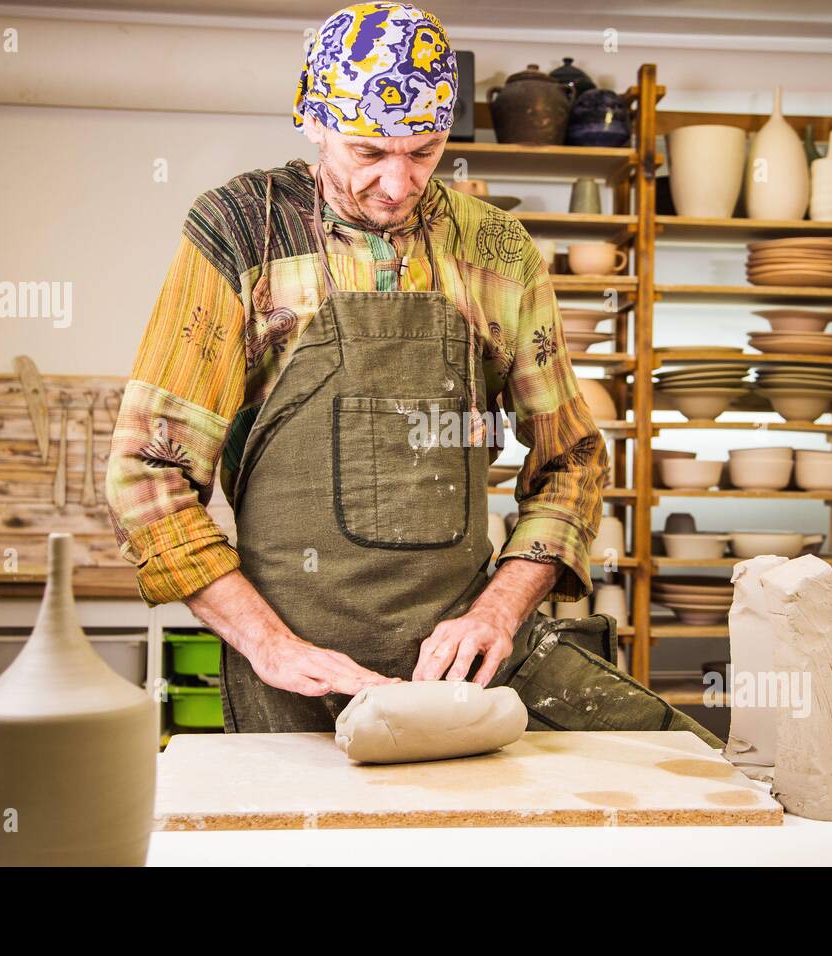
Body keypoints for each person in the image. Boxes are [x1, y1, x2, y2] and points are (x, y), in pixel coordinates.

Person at [106, 1, 719, 746]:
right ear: (312, 117)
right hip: (296, 674)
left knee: (684, 765)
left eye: (424, 151)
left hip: (467, 664)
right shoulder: (240, 230)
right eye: (369, 152)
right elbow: (147, 474)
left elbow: (573, 460)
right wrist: (269, 643)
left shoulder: (497, 249)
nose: (398, 185)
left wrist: (498, 611)